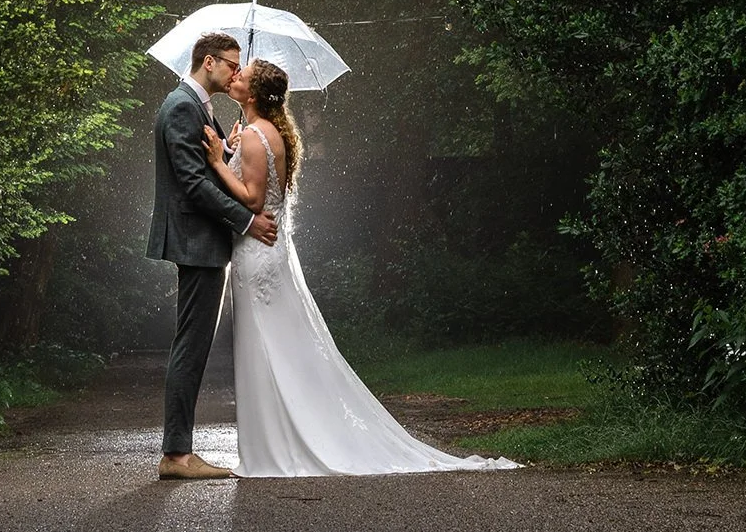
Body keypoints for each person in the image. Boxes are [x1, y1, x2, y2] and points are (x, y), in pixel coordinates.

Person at [199, 57, 520, 476]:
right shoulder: (262, 133)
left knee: (264, 344)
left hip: (258, 253)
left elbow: (254, 200)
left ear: (254, 94)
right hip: (266, 254)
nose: (235, 76)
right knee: (276, 345)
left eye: (243, 74)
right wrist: (231, 147)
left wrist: (219, 163)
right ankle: (274, 439)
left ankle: (275, 446)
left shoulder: (260, 137)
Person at [146, 31, 276, 480]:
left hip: (200, 241)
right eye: (232, 65)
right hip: (197, 242)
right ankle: (177, 455)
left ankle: (176, 451)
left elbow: (205, 168)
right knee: (192, 343)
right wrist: (247, 220)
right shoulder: (182, 105)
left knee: (193, 342)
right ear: (209, 62)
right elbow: (194, 185)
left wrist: (226, 150)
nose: (236, 73)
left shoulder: (196, 105)